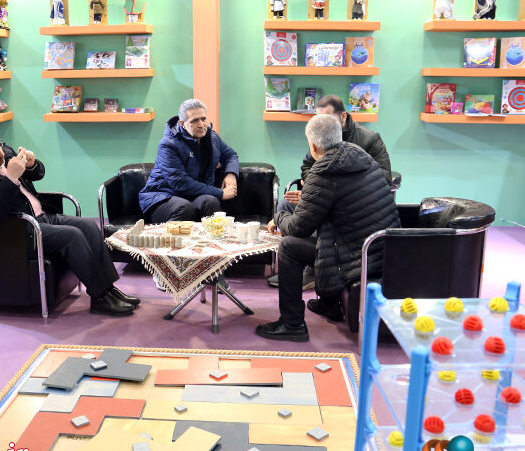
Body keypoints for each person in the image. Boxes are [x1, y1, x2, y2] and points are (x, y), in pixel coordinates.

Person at [0, 123, 139, 316]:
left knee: (89, 227)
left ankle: (109, 290)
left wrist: (32, 164)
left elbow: (38, 174)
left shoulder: (5, 153)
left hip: (42, 216)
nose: (0, 154)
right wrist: (10, 179)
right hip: (20, 231)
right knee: (73, 236)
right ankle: (100, 297)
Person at [256, 115, 399, 342]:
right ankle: (329, 304)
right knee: (323, 229)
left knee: (289, 247)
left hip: (358, 255)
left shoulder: (323, 172)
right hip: (383, 248)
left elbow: (298, 228)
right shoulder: (360, 155)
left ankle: (292, 324)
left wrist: (278, 216)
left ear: (313, 146)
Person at [267, 94, 392, 288]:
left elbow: (383, 179)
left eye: (326, 118)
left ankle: (310, 275)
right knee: (286, 204)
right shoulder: (350, 149)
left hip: (354, 232)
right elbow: (308, 168)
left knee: (289, 239)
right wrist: (313, 192)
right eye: (318, 118)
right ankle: (303, 271)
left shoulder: (368, 140)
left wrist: (320, 193)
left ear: (343, 117)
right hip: (348, 221)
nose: (322, 123)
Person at [139, 99, 239, 224]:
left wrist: (231, 175)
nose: (201, 125)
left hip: (193, 196)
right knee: (184, 208)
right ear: (182, 123)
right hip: (162, 197)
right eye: (194, 121)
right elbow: (180, 183)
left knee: (211, 201)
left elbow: (230, 155)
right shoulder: (168, 144)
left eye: (203, 119)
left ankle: (210, 237)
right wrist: (220, 193)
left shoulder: (212, 137)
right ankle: (168, 237)